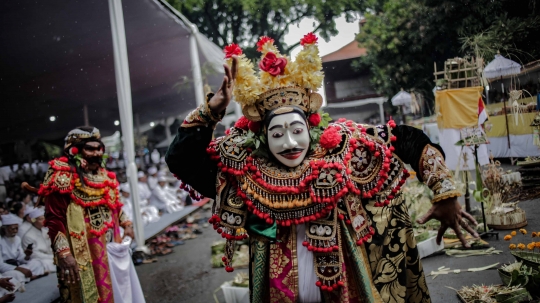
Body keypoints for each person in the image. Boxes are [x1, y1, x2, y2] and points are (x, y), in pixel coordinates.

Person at [166, 34, 478, 303]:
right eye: (277, 134)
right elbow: (181, 160)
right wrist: (211, 110)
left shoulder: (343, 145)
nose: (289, 142)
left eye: (296, 130)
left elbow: (408, 139)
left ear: (311, 126)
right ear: (263, 135)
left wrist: (444, 191)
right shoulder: (246, 170)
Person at [40, 126, 135, 303]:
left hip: (111, 246)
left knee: (116, 291)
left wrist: (127, 224)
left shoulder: (104, 175)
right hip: (81, 250)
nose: (96, 153)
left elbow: (114, 205)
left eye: (99, 148)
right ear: (73, 150)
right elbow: (54, 218)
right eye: (89, 149)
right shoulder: (62, 176)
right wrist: (65, 254)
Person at [0, 214, 45, 282]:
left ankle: (27, 277)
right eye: (12, 229)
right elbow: (1, 265)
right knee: (16, 275)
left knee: (37, 263)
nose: (15, 231)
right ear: (4, 229)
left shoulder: (17, 239)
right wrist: (20, 269)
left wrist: (27, 256)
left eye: (17, 228)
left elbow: (20, 258)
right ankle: (30, 277)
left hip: (18, 265)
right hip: (8, 269)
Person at [21, 207, 55, 273]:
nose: (44, 221)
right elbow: (34, 254)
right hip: (39, 260)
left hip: (49, 256)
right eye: (41, 219)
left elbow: (50, 246)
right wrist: (51, 257)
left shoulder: (44, 231)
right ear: (34, 220)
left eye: (44, 218)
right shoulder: (28, 236)